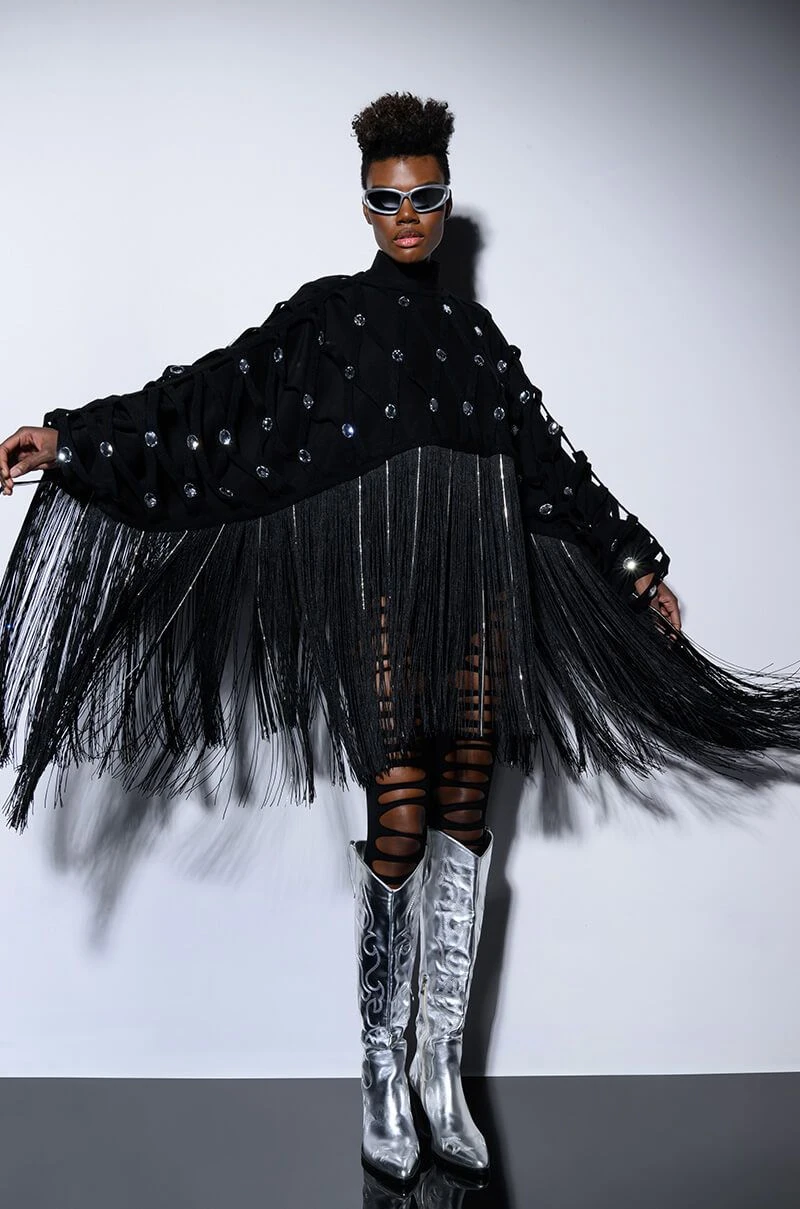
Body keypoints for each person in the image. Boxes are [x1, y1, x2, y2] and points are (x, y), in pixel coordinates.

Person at [1, 91, 798, 1192]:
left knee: (466, 808)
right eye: (387, 200)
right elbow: (211, 393)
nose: (407, 218)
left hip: (479, 588)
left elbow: (549, 463)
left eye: (425, 198)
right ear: (364, 206)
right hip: (376, 588)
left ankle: (437, 1071)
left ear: (446, 200)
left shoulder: (477, 343)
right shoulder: (329, 319)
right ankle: (380, 1071)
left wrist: (634, 565)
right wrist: (70, 437)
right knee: (403, 807)